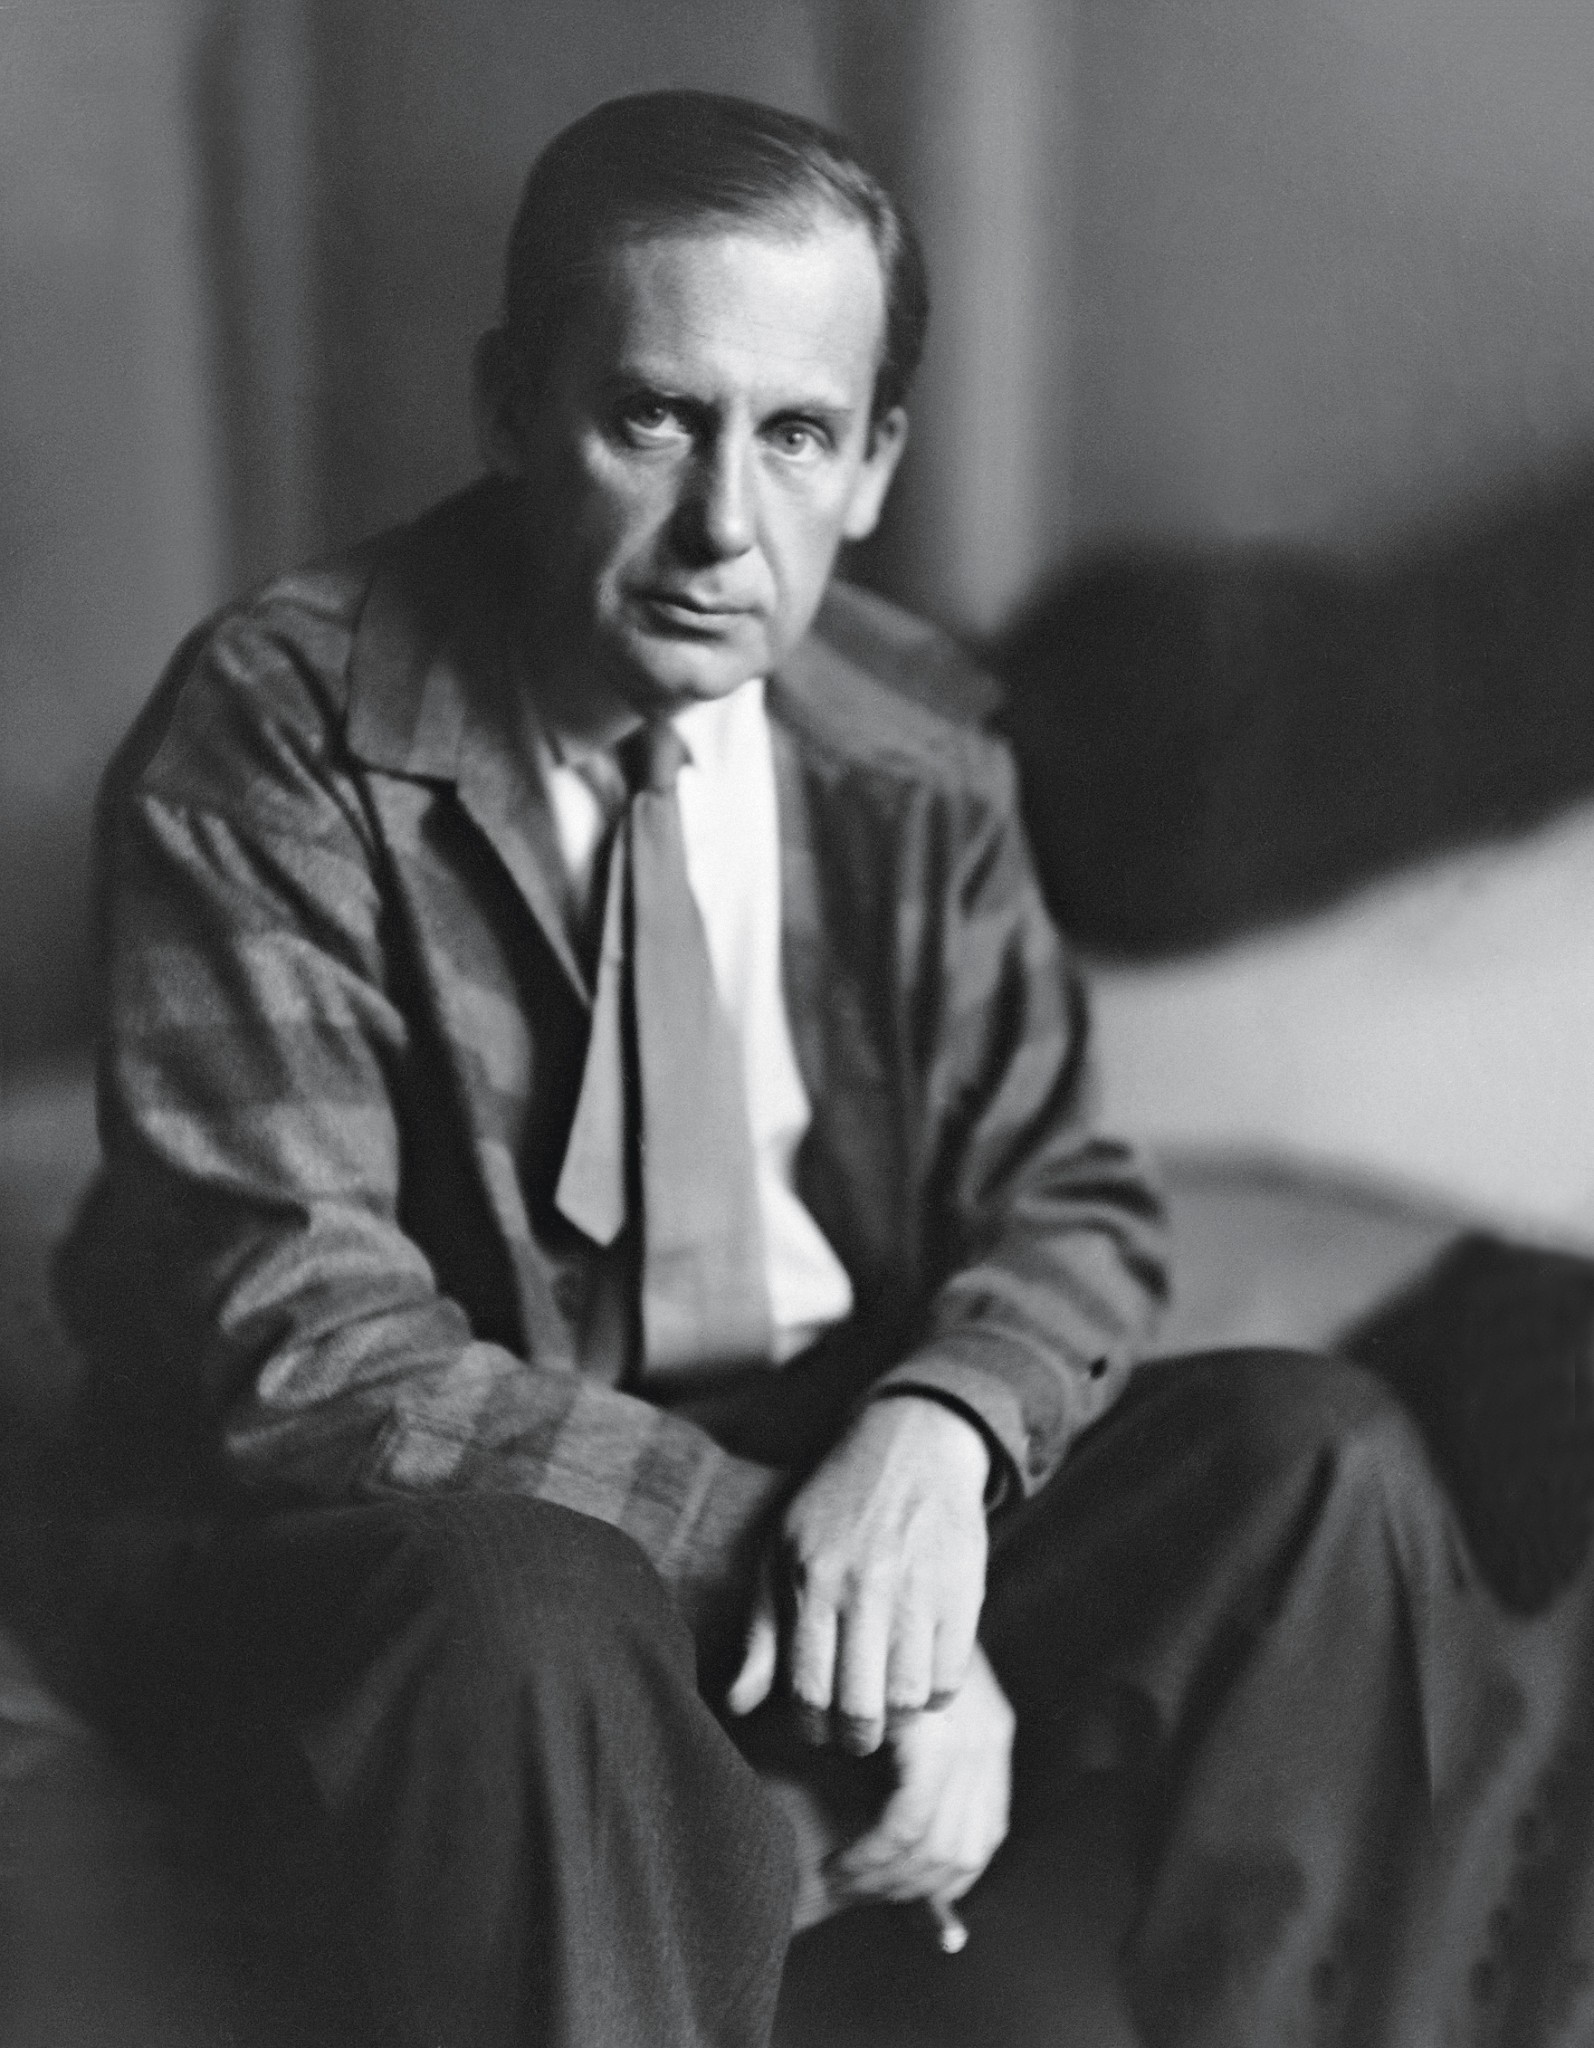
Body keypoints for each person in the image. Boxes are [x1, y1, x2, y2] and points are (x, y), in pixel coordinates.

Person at [59, 89, 1509, 2048]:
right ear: (509, 412)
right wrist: (844, 1600)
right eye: (653, 419)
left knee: (1315, 1460)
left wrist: (937, 1438)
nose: (723, 527)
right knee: (537, 1610)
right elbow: (308, 1350)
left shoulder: (912, 733)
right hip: (404, 1526)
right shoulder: (275, 726)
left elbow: (1059, 1193)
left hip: (818, 1439)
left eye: (796, 434)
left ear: (874, 464)